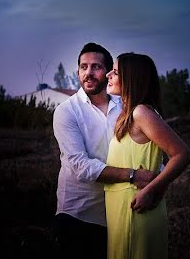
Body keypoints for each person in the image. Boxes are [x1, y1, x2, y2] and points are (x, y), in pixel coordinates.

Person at [53, 43, 158, 259]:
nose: (88, 73)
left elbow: (148, 150)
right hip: (78, 215)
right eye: (83, 67)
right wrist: (133, 175)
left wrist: (156, 184)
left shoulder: (126, 107)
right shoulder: (66, 111)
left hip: (120, 212)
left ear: (110, 72)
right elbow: (81, 167)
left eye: (96, 67)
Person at [104, 53, 190, 259]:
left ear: (131, 80)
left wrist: (152, 190)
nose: (108, 74)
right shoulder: (128, 114)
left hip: (136, 209)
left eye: (115, 72)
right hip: (120, 210)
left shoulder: (141, 113)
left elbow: (182, 154)